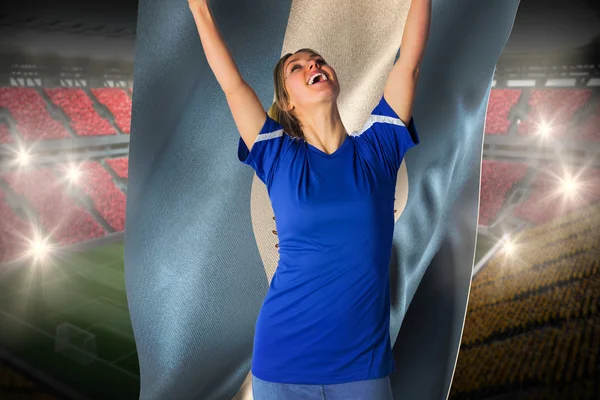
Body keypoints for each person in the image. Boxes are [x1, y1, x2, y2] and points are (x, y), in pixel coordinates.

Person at [188, 0, 431, 398]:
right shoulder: (278, 156)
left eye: (317, 60)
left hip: (362, 367)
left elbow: (409, 64)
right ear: (286, 101)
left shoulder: (379, 148)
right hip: (281, 363)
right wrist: (199, 8)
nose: (312, 66)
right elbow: (232, 84)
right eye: (296, 68)